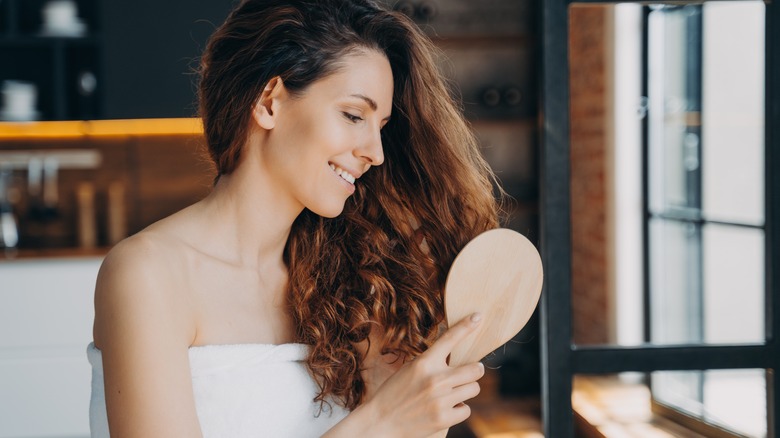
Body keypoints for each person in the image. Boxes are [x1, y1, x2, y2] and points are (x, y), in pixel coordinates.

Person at [88, 0, 502, 436]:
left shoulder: (349, 292)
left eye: (380, 127)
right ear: (270, 102)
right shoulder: (149, 274)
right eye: (353, 115)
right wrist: (382, 421)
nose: (375, 153)